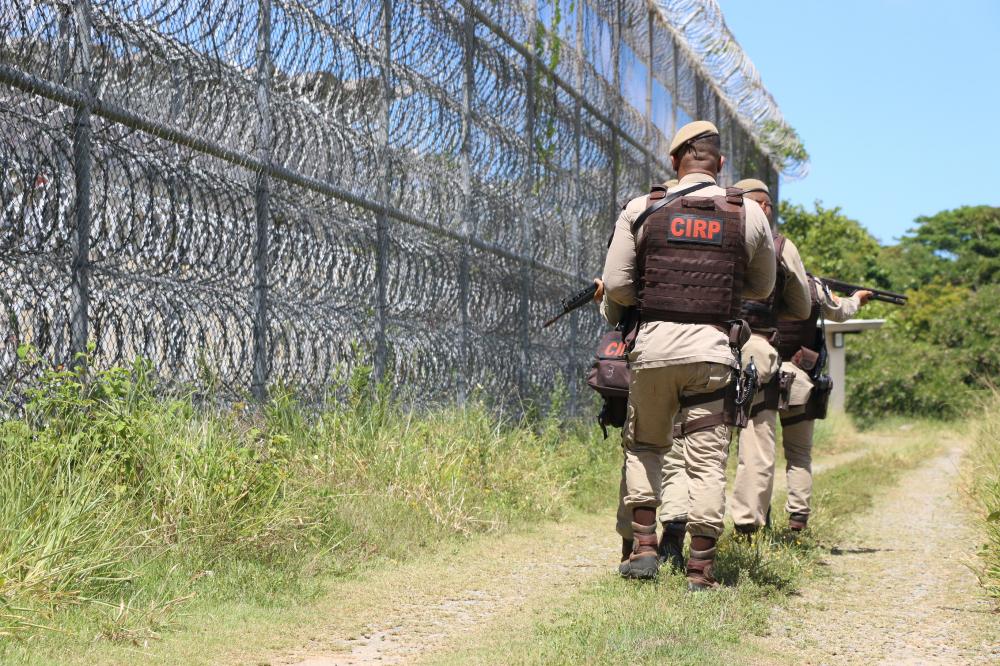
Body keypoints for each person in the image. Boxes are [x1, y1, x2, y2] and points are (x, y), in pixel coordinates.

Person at [601, 120, 775, 588]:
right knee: (707, 460)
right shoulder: (747, 213)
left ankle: (643, 547)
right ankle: (700, 570)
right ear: (720, 165)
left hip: (654, 348)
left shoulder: (643, 207)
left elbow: (617, 285)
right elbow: (762, 286)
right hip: (714, 353)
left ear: (675, 162)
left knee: (646, 445)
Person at [727, 179, 812, 538]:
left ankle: (684, 524)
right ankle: (747, 525)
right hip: (755, 352)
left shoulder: (718, 233)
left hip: (709, 344)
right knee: (757, 441)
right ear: (764, 208)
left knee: (699, 438)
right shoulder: (779, 246)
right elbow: (802, 306)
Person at [777, 278, 871, 530]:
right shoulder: (811, 285)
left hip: (757, 374)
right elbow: (840, 311)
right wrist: (857, 299)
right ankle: (797, 520)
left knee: (754, 455)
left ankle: (752, 523)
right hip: (797, 375)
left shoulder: (748, 278)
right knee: (798, 454)